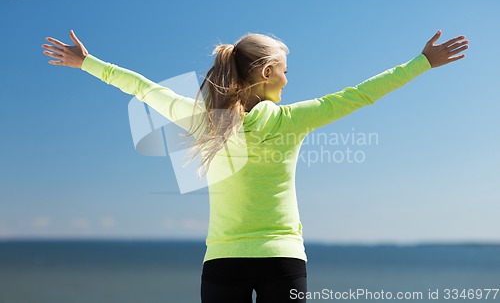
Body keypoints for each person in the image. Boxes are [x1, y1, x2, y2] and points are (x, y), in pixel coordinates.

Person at [42, 29, 468, 302]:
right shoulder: (292, 119)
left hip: (222, 262)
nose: (288, 78)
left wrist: (87, 63)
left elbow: (140, 87)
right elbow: (360, 94)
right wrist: (422, 63)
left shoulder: (204, 120)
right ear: (267, 72)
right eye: (284, 70)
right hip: (283, 261)